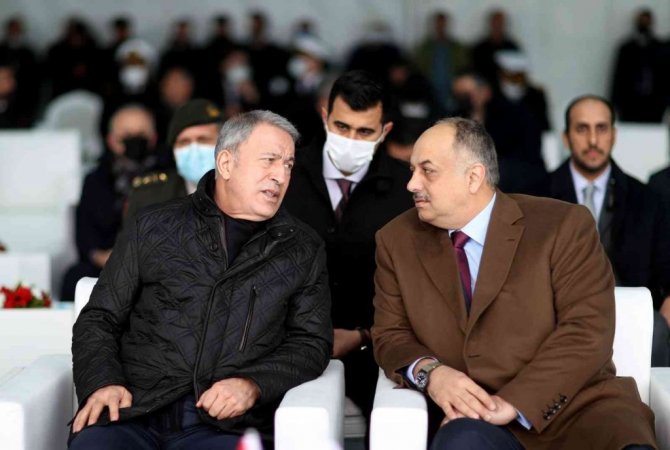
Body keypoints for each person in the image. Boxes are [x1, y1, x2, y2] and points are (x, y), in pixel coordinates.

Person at [372, 117, 657, 449]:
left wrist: (512, 403)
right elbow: (390, 335)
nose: (412, 184)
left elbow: (587, 331)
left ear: (473, 177)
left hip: (578, 410)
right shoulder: (396, 240)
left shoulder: (563, 225)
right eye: (412, 170)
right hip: (475, 419)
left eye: (427, 171)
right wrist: (431, 373)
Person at [69, 110, 332, 450]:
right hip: (134, 411)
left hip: (223, 426)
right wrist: (103, 382)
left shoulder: (301, 248)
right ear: (226, 163)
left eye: (288, 165)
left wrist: (252, 384)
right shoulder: (153, 226)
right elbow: (99, 317)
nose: (280, 176)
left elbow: (311, 342)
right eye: (269, 160)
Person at [282, 70, 414, 433]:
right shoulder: (284, 174)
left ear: (385, 131)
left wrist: (363, 335)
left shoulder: (408, 190)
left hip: (377, 346)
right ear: (325, 116)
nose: (351, 140)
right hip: (286, 344)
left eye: (364, 132)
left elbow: (419, 285)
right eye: (342, 127)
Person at [547, 95, 670, 366]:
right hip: (554, 315)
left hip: (630, 316)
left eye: (601, 129)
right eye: (582, 129)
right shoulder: (537, 196)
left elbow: (666, 267)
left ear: (613, 135)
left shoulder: (647, 200)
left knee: (657, 331)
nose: (593, 140)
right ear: (566, 137)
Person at [60, 104, 161, 301]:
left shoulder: (167, 176)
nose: (134, 140)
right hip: (106, 263)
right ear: (112, 140)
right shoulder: (96, 180)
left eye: (141, 134)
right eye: (127, 135)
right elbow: (85, 234)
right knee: (74, 279)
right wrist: (103, 257)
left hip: (155, 263)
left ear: (153, 138)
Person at [125, 98, 223, 220]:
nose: (194, 149)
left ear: (224, 146)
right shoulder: (149, 198)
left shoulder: (242, 192)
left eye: (203, 140)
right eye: (184, 142)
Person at [611, 8, 669, 123]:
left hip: (654, 103)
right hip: (630, 103)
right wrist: (615, 101)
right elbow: (618, 76)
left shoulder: (661, 48)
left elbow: (665, 76)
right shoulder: (626, 49)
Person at [414, 11, 470, 112]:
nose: (440, 27)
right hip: (429, 91)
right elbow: (419, 69)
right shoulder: (425, 48)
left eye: (443, 24)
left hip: (453, 91)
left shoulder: (457, 47)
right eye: (438, 24)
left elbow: (464, 68)